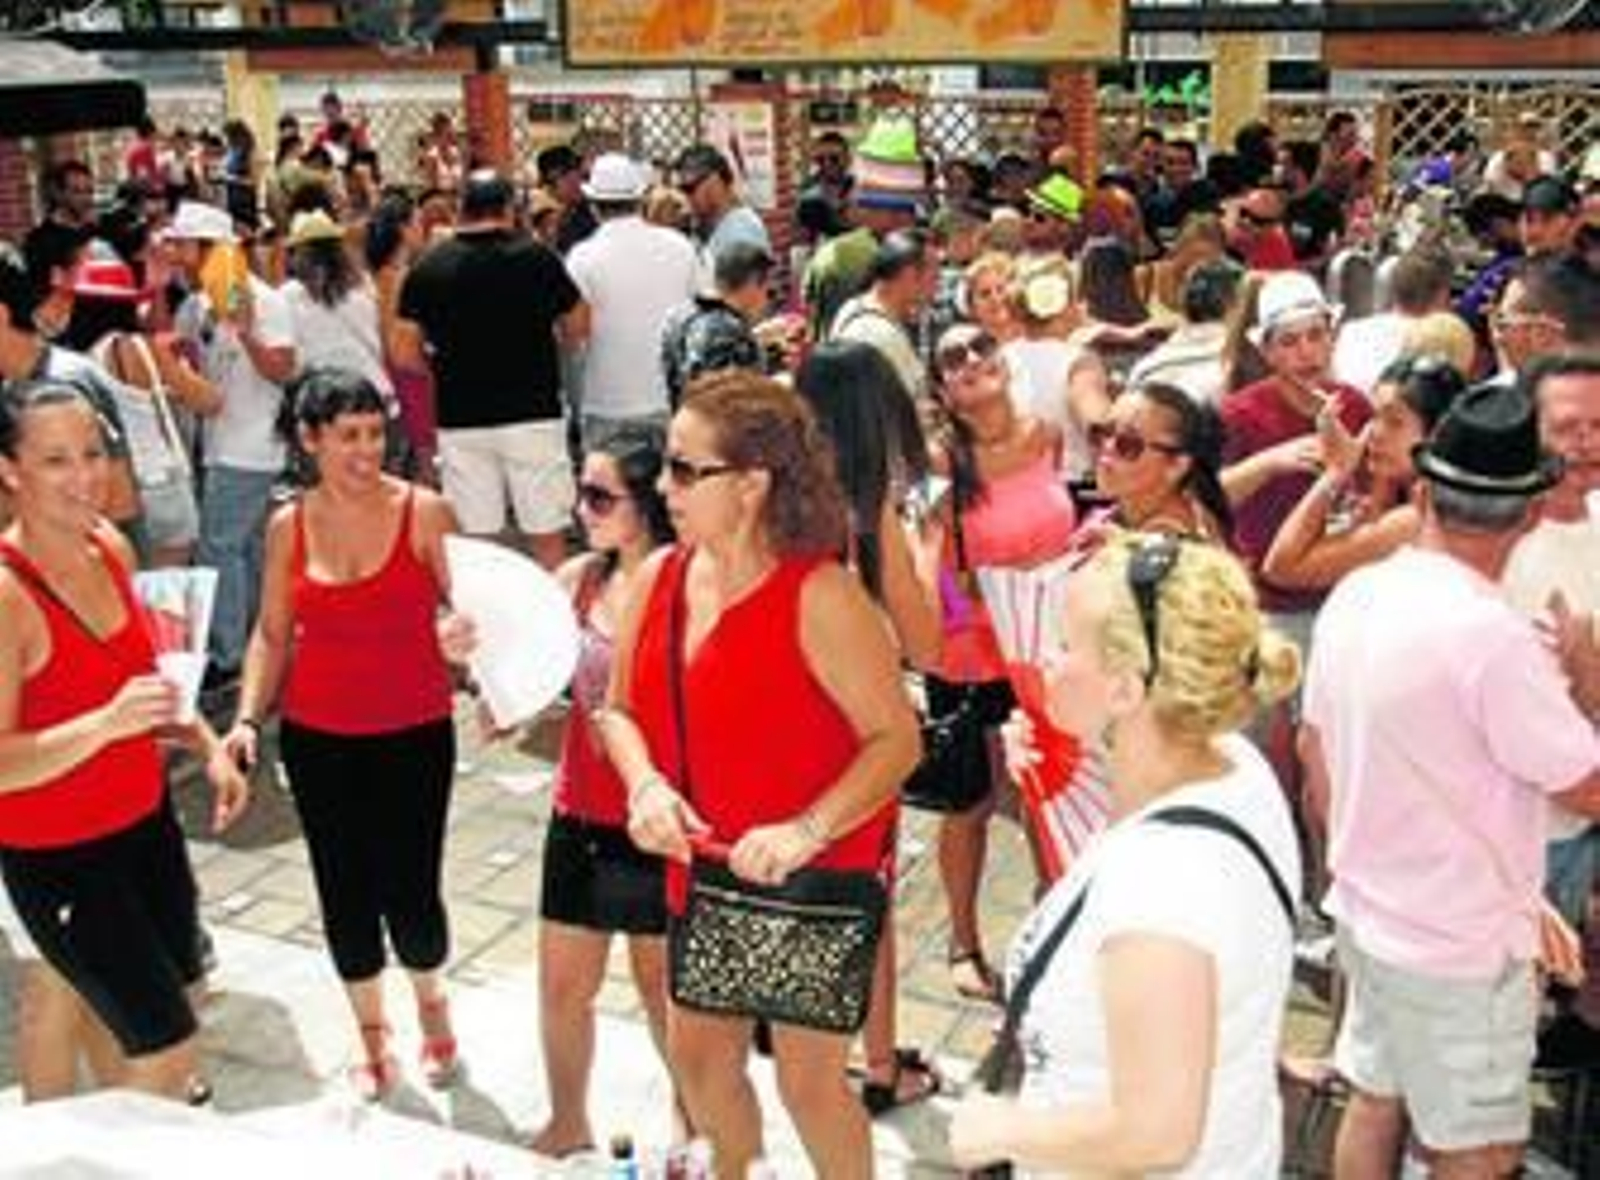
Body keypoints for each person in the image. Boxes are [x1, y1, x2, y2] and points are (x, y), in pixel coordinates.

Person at [596, 370, 919, 1178]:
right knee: (701, 1066)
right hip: (707, 872)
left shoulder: (822, 594)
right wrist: (645, 786)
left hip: (813, 878)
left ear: (751, 484)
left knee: (811, 1087)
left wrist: (807, 829)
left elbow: (897, 742)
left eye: (683, 470)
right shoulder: (660, 577)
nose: (661, 487)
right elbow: (617, 713)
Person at [1300, 379, 1600, 1179]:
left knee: (1375, 1100)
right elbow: (1585, 785)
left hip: (1369, 910)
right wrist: (1584, 671)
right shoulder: (1494, 639)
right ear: (1530, 513)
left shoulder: (1360, 593)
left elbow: (1315, 755)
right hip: (1458, 944)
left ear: (1426, 493)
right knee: (1480, 1148)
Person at [948, 534, 1303, 1176]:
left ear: (1125, 690)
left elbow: (1156, 1133)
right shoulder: (1233, 765)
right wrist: (1059, 763)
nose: (1045, 660)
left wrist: (1001, 1129)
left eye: (1065, 645)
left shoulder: (1158, 895)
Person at [0, 380, 250, 1101]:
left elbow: (149, 679)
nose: (85, 475)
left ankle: (102, 1135)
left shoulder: (110, 546)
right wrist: (105, 724)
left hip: (144, 822)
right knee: (166, 1047)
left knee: (171, 1001)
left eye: (94, 452)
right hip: (59, 853)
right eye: (56, 460)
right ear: (10, 471)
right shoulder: (8, 594)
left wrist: (207, 745)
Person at [223, 368, 462, 1101]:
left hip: (415, 731)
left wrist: (465, 644)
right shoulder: (287, 525)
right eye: (347, 436)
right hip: (318, 738)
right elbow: (271, 634)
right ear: (310, 440)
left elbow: (476, 611)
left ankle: (431, 1004)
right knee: (343, 890)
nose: (366, 450)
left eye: (374, 434)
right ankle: (371, 1031)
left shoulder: (425, 512)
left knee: (413, 892)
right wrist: (245, 719)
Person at [794, 341, 942, 1116]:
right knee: (864, 904)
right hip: (857, 742)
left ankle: (798, 1034)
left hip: (775, 729)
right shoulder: (867, 516)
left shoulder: (770, 506)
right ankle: (879, 1064)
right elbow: (928, 644)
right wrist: (927, 550)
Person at [524, 430, 677, 1156]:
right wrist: (469, 653)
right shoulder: (579, 580)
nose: (581, 510)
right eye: (580, 494)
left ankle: (695, 1127)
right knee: (561, 989)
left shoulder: (689, 585)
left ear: (647, 503)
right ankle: (566, 1122)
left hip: (660, 822)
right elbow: (516, 680)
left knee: (663, 996)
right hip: (581, 815)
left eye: (598, 497)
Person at [919, 321, 1078, 1002]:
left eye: (981, 346)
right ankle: (963, 940)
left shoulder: (1047, 434)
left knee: (1051, 786)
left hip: (1045, 648)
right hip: (971, 657)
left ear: (1005, 361)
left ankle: (1057, 921)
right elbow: (934, 572)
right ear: (943, 389)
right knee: (971, 803)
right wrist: (969, 618)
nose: (971, 360)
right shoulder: (937, 464)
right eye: (952, 358)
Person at [395, 170, 589, 569]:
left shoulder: (429, 267)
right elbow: (579, 324)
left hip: (461, 416)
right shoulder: (537, 258)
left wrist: (440, 370)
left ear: (461, 208)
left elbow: (403, 350)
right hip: (533, 411)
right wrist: (553, 351)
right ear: (508, 209)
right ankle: (554, 606)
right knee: (547, 533)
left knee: (477, 542)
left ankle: (485, 610)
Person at [165, 199, 298, 681]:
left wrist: (245, 333)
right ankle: (262, 640)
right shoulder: (198, 302)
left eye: (182, 246)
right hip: (218, 444)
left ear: (208, 248)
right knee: (247, 549)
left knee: (220, 548)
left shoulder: (265, 300)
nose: (176, 255)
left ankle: (229, 654)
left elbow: (283, 369)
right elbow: (179, 353)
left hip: (250, 445)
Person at [61, 243, 221, 567]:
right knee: (168, 588)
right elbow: (209, 400)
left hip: (109, 489)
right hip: (160, 485)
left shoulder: (74, 363)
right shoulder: (134, 347)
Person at [1263, 355, 1468, 592]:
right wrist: (1381, 490)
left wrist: (1336, 472)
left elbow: (1281, 568)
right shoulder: (1441, 497)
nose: (1375, 433)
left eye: (1394, 422)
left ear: (1438, 435)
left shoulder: (1412, 521)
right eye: (1374, 416)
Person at [565, 153, 699, 450]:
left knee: (608, 479)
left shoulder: (582, 257)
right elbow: (697, 317)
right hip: (669, 397)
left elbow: (574, 336)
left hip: (606, 401)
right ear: (640, 200)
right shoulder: (680, 248)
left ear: (594, 205)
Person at [1089, 381, 1233, 542]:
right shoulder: (1115, 522)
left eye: (1129, 443)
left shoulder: (1176, 546)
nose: (1107, 447)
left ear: (1176, 466)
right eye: (1103, 432)